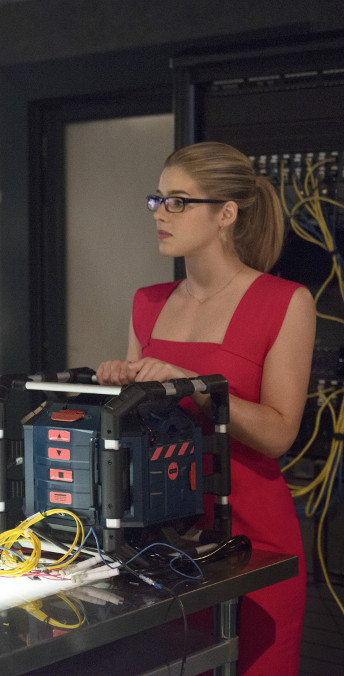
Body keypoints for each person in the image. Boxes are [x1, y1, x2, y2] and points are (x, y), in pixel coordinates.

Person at [96, 141, 314, 674]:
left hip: (254, 540)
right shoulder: (147, 302)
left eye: (178, 201)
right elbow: (139, 426)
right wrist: (120, 384)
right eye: (157, 199)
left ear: (226, 214)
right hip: (161, 541)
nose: (160, 214)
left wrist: (194, 386)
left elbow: (279, 433)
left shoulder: (285, 301)